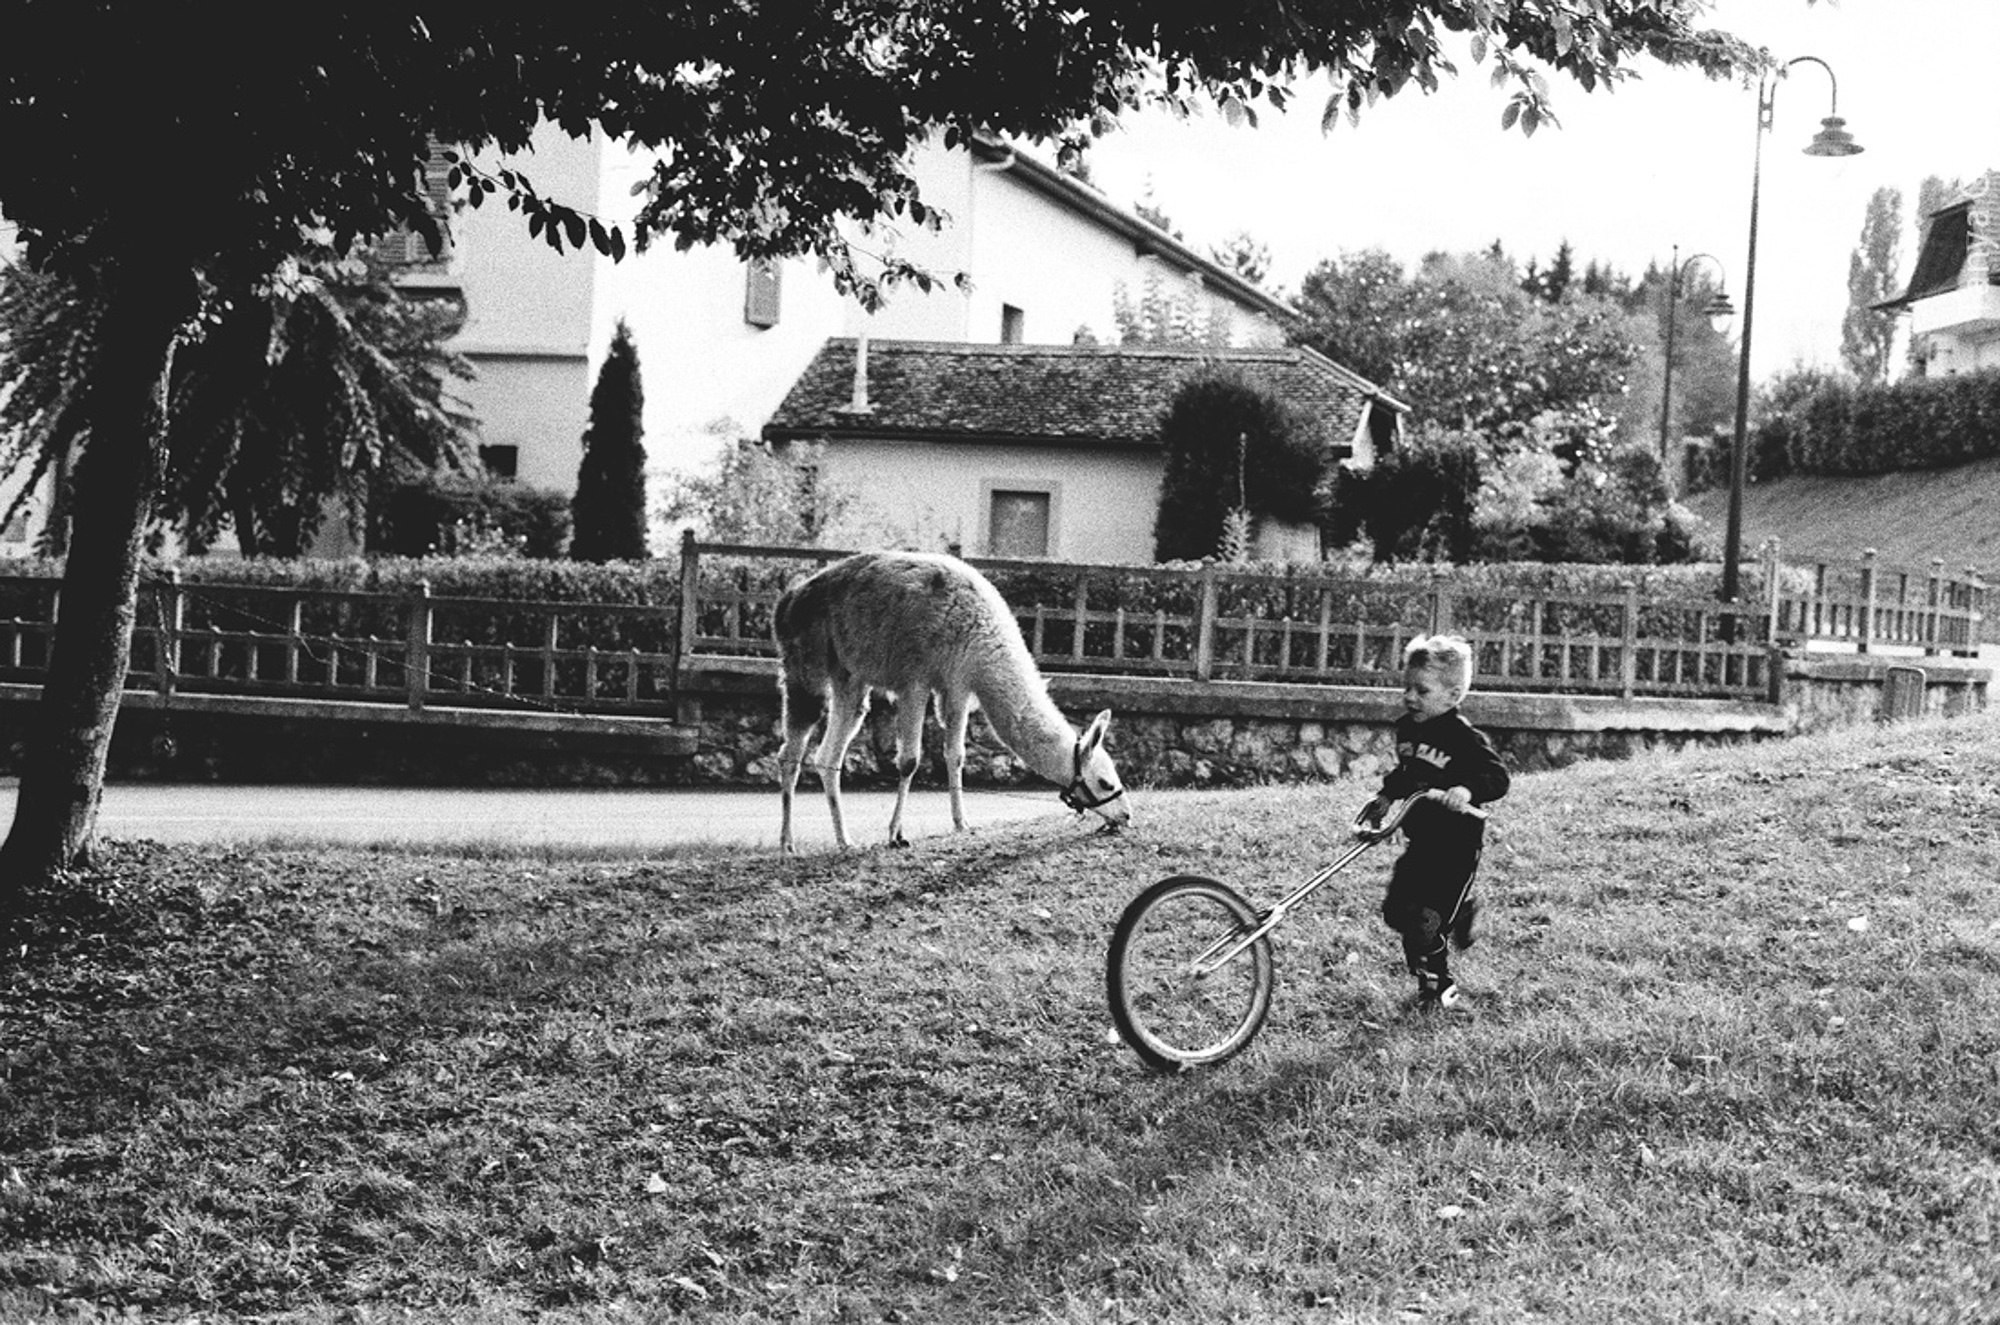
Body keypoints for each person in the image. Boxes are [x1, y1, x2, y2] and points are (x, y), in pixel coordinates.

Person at [1360, 634, 1511, 1012]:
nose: (1410, 697)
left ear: (1452, 695)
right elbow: (1407, 772)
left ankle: (1438, 988)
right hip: (1421, 841)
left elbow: (1498, 778)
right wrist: (1385, 797)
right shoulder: (1409, 729)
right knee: (1398, 911)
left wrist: (1466, 789)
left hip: (1456, 846)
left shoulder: (1464, 738)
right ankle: (1459, 914)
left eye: (1422, 690)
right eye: (1406, 687)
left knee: (1427, 921)